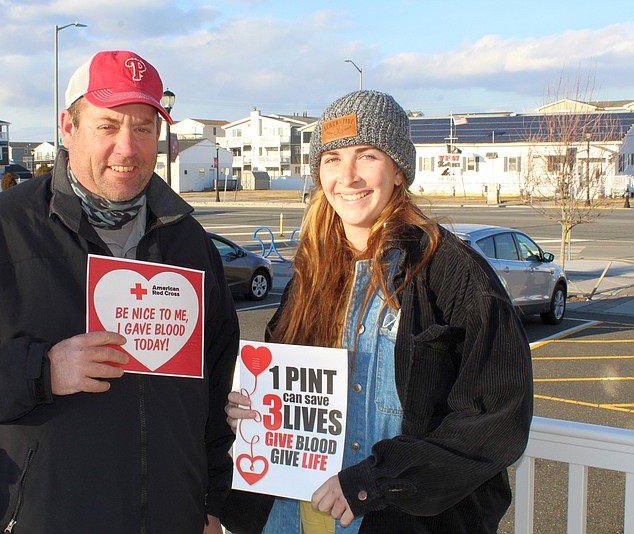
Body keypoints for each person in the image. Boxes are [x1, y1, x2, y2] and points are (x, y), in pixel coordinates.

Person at [0, 50, 240, 533]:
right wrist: (40, 371)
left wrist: (211, 501)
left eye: (144, 128)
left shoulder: (188, 241)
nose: (127, 148)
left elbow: (213, 389)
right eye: (107, 126)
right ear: (68, 129)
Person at [221, 90, 533, 533]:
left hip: (399, 521)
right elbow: (285, 386)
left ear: (399, 170)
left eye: (366, 155)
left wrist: (376, 480)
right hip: (295, 516)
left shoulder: (452, 274)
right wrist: (251, 410)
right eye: (332, 159)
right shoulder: (313, 273)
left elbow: (496, 417)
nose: (347, 176)